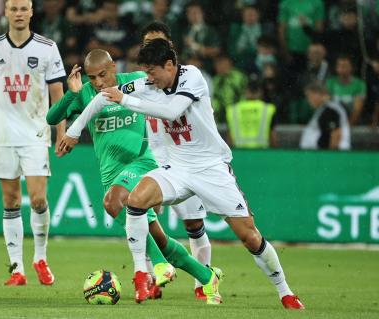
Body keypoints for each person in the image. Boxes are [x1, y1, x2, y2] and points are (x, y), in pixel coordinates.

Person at [62, 38, 305, 310]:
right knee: (135, 200)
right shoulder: (147, 83)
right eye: (146, 72)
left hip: (211, 168)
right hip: (176, 169)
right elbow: (101, 98)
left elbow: (171, 110)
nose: (148, 78)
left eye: (153, 72)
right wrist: (73, 131)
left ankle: (285, 291)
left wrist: (127, 99)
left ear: (170, 65)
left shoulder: (193, 77)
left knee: (249, 236)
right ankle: (142, 272)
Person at [48, 49, 223, 305]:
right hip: (111, 173)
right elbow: (52, 118)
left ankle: (159, 267)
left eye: (102, 75)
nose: (98, 82)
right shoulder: (85, 93)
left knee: (112, 202)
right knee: (158, 239)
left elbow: (166, 105)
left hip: (143, 161)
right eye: (92, 77)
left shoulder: (136, 81)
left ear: (114, 69)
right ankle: (207, 276)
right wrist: (72, 93)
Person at [0, 0, 66, 286]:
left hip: (36, 134)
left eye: (24, 8)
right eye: (14, 9)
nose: (19, 13)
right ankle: (17, 269)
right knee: (10, 201)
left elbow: (58, 94)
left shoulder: (47, 48)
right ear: (6, 13)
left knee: (38, 199)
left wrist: (63, 131)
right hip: (3, 137)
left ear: (32, 12)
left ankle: (40, 257)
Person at [141, 21, 213, 300]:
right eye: (147, 43)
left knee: (194, 225)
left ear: (170, 47)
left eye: (157, 42)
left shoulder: (188, 78)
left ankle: (202, 280)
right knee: (145, 217)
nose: (152, 48)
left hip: (185, 159)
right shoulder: (143, 79)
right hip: (152, 157)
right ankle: (151, 279)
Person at [226, 79, 277, 148]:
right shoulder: (268, 109)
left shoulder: (233, 110)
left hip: (239, 154)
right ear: (260, 92)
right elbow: (272, 135)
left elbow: (229, 136)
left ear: (246, 92)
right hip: (262, 154)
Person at [300, 81, 351, 150]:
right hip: (319, 154)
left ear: (317, 94)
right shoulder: (323, 108)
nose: (308, 100)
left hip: (330, 155)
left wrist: (330, 156)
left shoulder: (331, 110)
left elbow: (336, 135)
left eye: (309, 95)